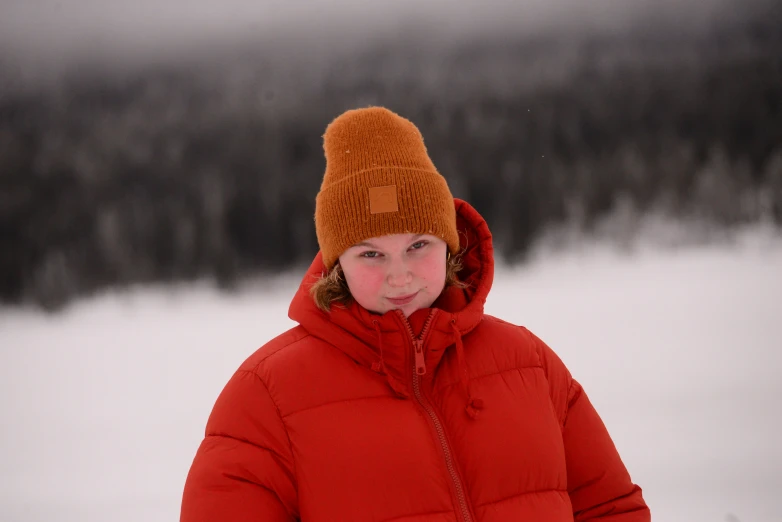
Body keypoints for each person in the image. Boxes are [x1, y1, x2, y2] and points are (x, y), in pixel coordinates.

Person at [180, 107, 651, 521]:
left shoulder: (527, 363)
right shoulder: (265, 397)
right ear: (335, 262)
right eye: (370, 254)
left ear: (448, 243)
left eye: (417, 245)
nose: (400, 275)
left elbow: (610, 508)